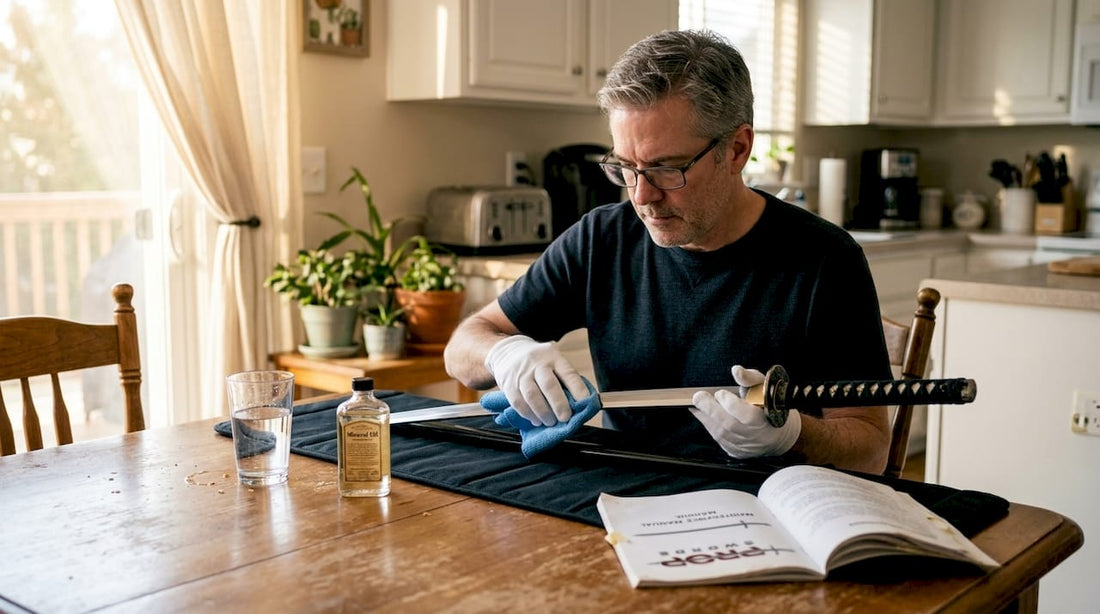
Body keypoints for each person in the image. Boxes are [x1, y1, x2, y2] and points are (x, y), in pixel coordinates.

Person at [444, 29, 892, 474]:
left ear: (737, 149)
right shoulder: (603, 239)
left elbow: (871, 447)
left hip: (765, 508)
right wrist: (505, 354)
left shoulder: (825, 260)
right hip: (625, 497)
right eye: (625, 167)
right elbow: (462, 349)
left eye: (665, 169)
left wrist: (792, 436)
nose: (641, 196)